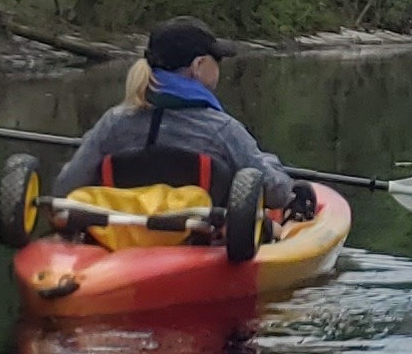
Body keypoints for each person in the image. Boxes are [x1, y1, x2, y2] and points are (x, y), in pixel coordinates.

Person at [51, 17, 320, 231]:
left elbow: (66, 188)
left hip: (121, 236)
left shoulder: (114, 122)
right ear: (199, 65)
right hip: (197, 241)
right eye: (218, 61)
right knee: (263, 166)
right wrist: (274, 168)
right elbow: (275, 194)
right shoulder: (222, 129)